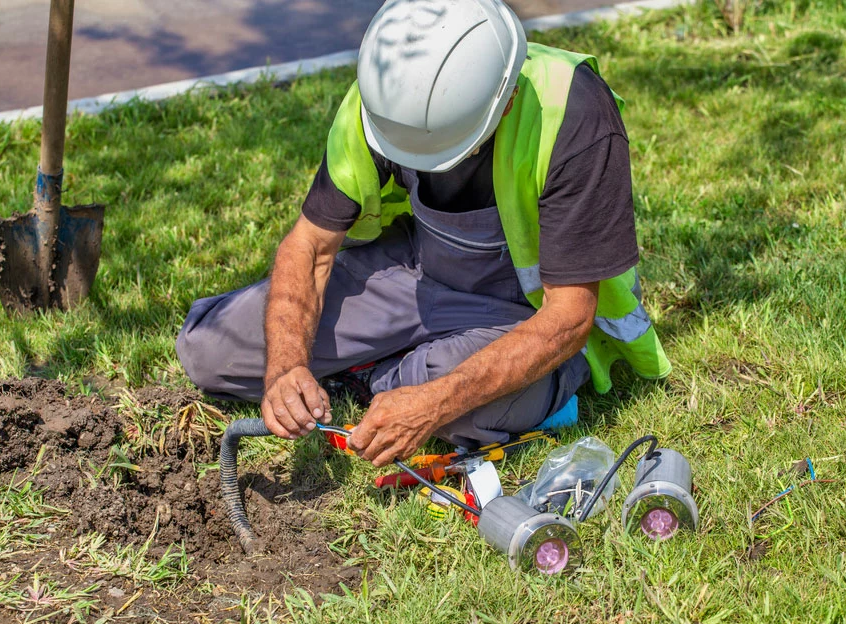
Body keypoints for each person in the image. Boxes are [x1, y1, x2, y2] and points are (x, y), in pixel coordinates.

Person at [175, 0, 671, 467]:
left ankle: (396, 374)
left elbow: (568, 317)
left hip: (524, 311)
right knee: (211, 350)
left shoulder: (574, 114)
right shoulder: (389, 93)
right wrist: (286, 367)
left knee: (463, 407)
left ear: (507, 100)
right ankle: (389, 372)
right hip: (418, 269)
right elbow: (309, 247)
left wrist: (436, 401)